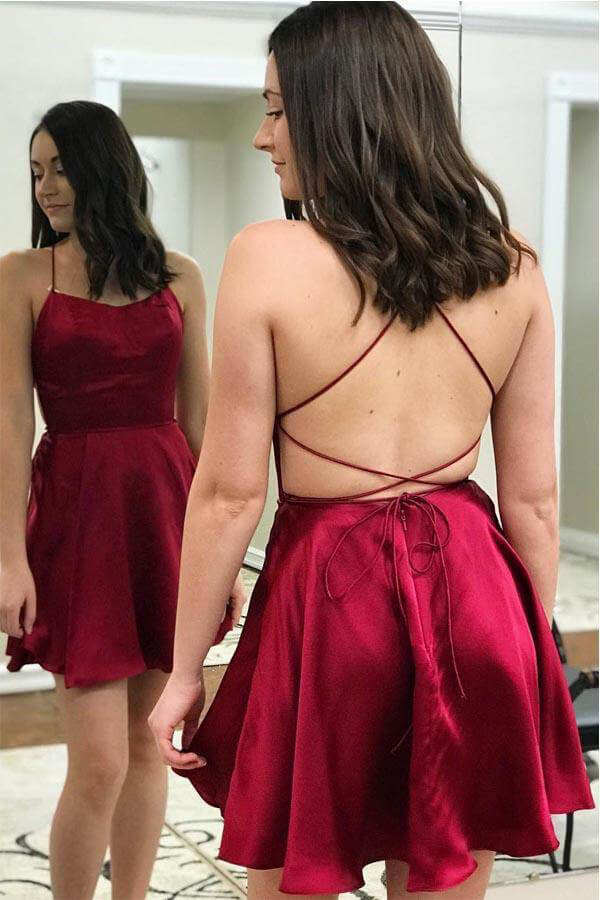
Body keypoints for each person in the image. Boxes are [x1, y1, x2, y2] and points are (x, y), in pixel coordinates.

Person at [148, 4, 594, 899]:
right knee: (444, 866)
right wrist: (529, 646)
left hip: (330, 595)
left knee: (294, 871)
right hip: (476, 594)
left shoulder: (265, 257)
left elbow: (230, 494)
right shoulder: (513, 265)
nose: (262, 137)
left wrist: (185, 670)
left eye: (277, 110)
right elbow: (534, 501)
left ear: (338, 112)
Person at [0, 100, 245, 900]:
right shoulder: (22, 275)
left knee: (148, 747)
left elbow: (203, 425)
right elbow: (10, 425)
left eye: (60, 168)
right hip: (76, 520)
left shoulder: (181, 276)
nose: (45, 187)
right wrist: (8, 556)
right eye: (36, 172)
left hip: (164, 514)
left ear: (102, 168)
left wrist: (225, 556)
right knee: (99, 762)